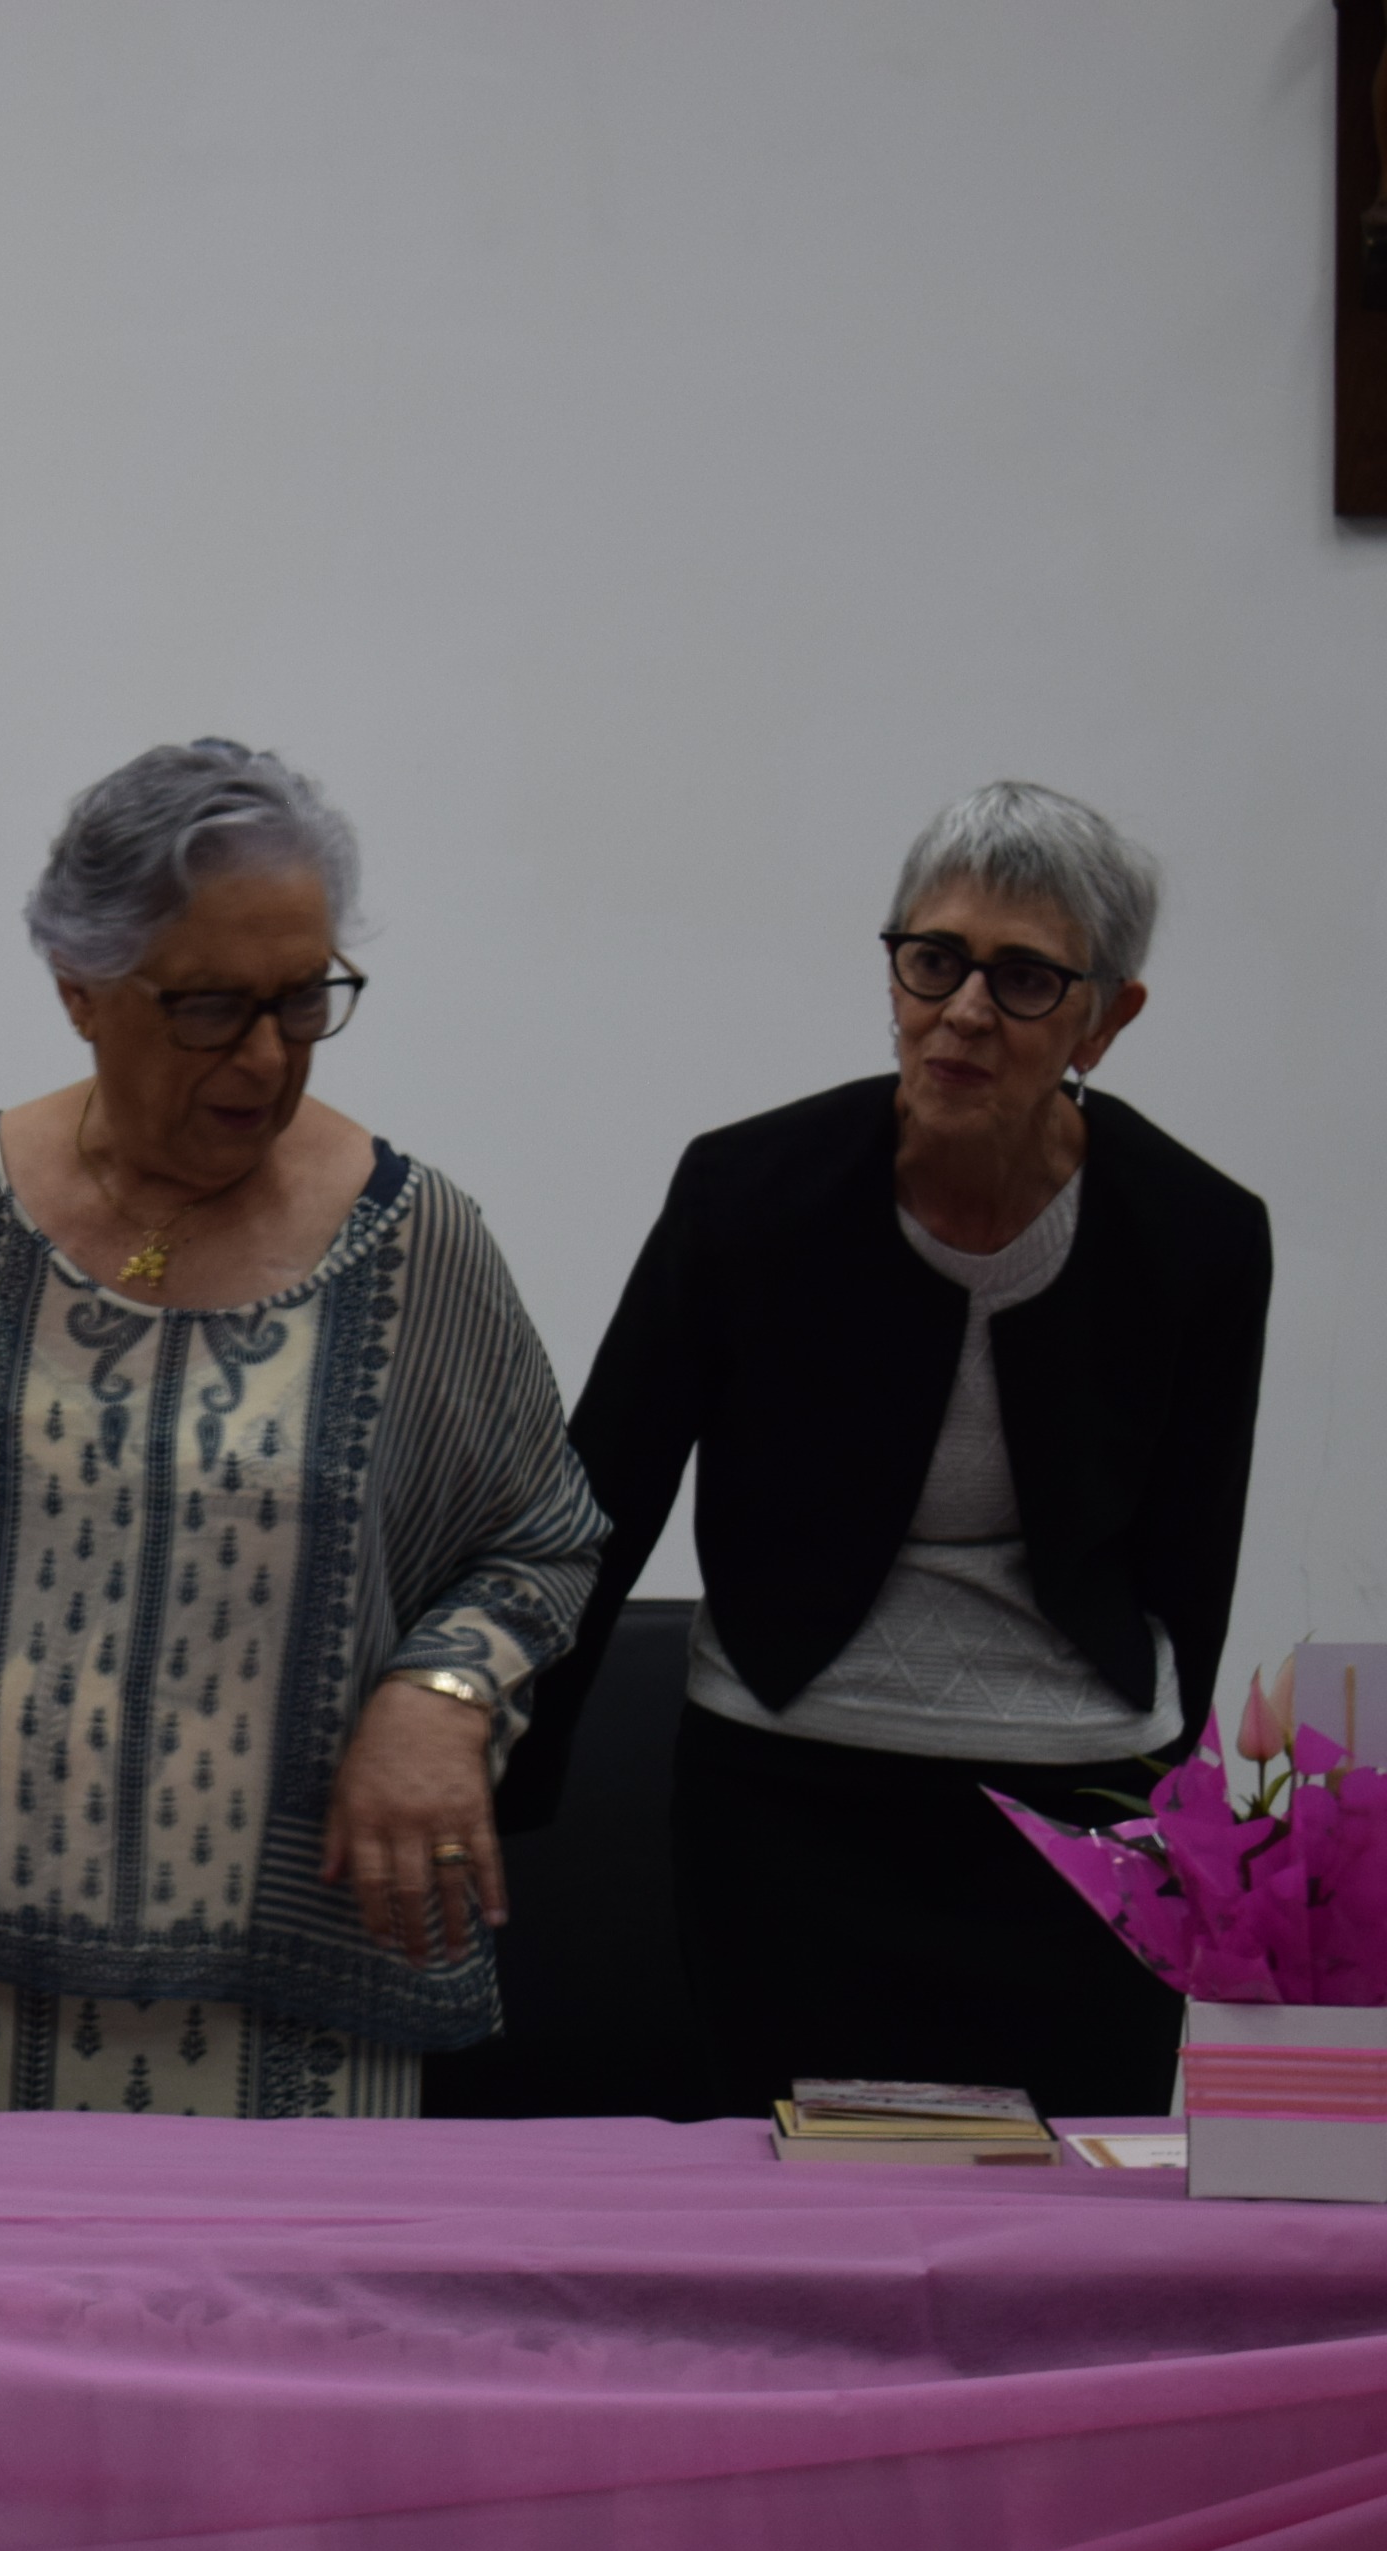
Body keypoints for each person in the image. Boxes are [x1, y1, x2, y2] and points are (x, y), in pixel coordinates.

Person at [0, 739, 607, 2115]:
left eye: (303, 1000)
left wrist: (441, 1697)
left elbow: (540, 1542)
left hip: (303, 2035)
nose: (266, 1056)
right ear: (80, 986)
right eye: (211, 1008)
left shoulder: (414, 1243)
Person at [539, 782, 1269, 2121]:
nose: (966, 1011)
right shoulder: (746, 1193)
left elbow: (1193, 1559)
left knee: (1063, 2204)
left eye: (1026, 977)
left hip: (1078, 1813)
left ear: (1108, 1018)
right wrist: (501, 1772)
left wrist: (1164, 1804)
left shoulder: (1200, 1234)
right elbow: (600, 1496)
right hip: (789, 1790)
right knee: (796, 2198)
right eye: (935, 959)